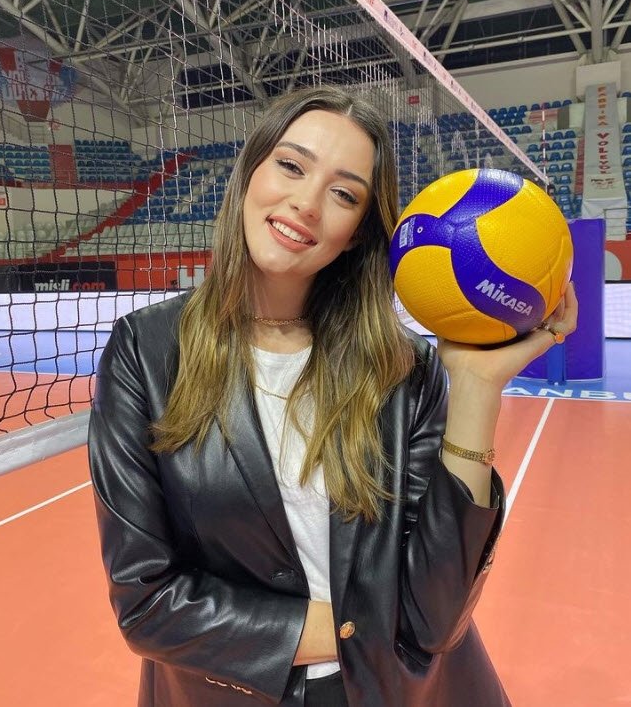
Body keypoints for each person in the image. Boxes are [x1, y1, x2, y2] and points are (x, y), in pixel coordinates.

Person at [88, 86, 577, 707]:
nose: (307, 203)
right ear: (249, 173)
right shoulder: (147, 351)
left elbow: (434, 617)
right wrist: (359, 627)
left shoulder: (403, 369)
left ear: (355, 235)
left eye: (344, 194)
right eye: (291, 166)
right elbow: (147, 604)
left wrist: (476, 387)